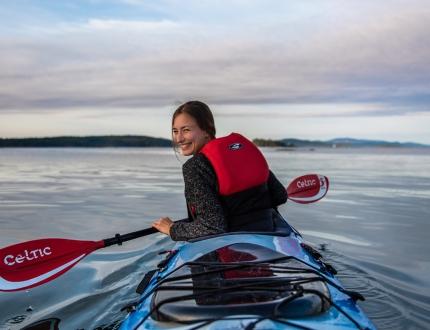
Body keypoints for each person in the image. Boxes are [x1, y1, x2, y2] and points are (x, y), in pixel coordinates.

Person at [152, 101, 288, 241]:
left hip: (233, 245)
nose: (179, 138)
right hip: (271, 234)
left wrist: (172, 229)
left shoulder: (194, 166)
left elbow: (212, 227)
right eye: (175, 131)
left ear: (206, 130)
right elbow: (280, 195)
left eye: (186, 130)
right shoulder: (242, 150)